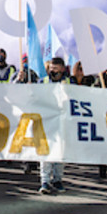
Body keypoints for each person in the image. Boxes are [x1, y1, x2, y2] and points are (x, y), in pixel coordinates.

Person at [37, 57, 68, 194]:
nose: (52, 71)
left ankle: (57, 179)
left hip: (62, 122)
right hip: (46, 121)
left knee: (60, 152)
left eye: (55, 69)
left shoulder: (68, 82)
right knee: (45, 152)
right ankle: (45, 181)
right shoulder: (41, 82)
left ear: (62, 69)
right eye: (51, 69)